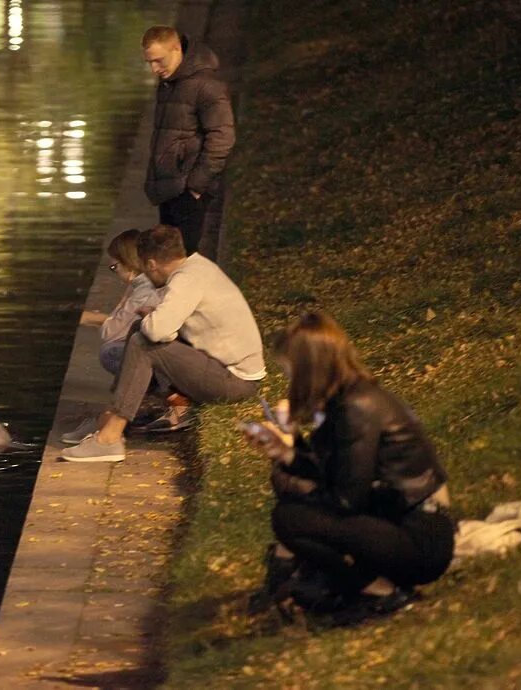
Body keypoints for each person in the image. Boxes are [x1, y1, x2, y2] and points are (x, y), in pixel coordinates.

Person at [242, 312, 454, 623]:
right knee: (295, 512)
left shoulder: (357, 407)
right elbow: (336, 472)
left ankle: (384, 594)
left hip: (420, 538)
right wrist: (287, 453)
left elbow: (346, 498)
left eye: (290, 373)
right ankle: (362, 586)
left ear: (310, 369)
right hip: (397, 518)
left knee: (291, 519)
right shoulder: (346, 399)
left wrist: (304, 500)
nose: (289, 382)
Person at [60, 224, 265, 462]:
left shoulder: (186, 280)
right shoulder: (197, 266)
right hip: (225, 369)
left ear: (151, 264)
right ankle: (107, 420)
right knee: (140, 330)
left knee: (143, 342)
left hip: (235, 381)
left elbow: (158, 331)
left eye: (145, 270)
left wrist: (153, 319)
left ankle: (109, 437)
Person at [142, 25, 235, 259]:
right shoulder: (170, 83)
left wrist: (195, 185)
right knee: (171, 262)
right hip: (169, 188)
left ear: (176, 48)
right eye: (150, 62)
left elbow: (223, 137)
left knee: (185, 261)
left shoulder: (206, 86)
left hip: (188, 190)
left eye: (159, 61)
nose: (154, 69)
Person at [63, 229, 163, 445]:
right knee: (123, 348)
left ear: (128, 263)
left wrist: (90, 318)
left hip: (160, 354)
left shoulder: (142, 290)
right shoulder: (144, 285)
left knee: (112, 353)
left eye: (114, 267)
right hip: (160, 346)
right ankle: (111, 413)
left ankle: (113, 418)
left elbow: (112, 332)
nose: (114, 272)